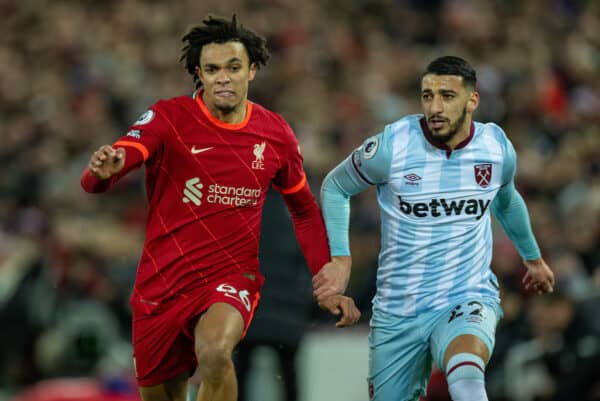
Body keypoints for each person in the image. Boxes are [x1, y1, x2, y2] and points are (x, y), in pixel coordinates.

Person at [80, 14, 360, 401]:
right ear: (199, 73)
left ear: (252, 71)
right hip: (161, 285)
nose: (223, 78)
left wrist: (324, 277)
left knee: (215, 352)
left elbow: (304, 210)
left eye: (233, 67)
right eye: (212, 69)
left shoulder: (275, 134)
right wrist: (106, 171)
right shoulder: (169, 117)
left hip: (230, 279)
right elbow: (107, 170)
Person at [314, 56, 555, 401]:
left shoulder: (496, 148)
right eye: (427, 96)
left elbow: (506, 200)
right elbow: (335, 187)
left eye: (447, 95)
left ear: (472, 100)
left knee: (467, 377)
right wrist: (341, 258)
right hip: (398, 308)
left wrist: (533, 258)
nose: (435, 107)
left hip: (465, 294)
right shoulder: (391, 147)